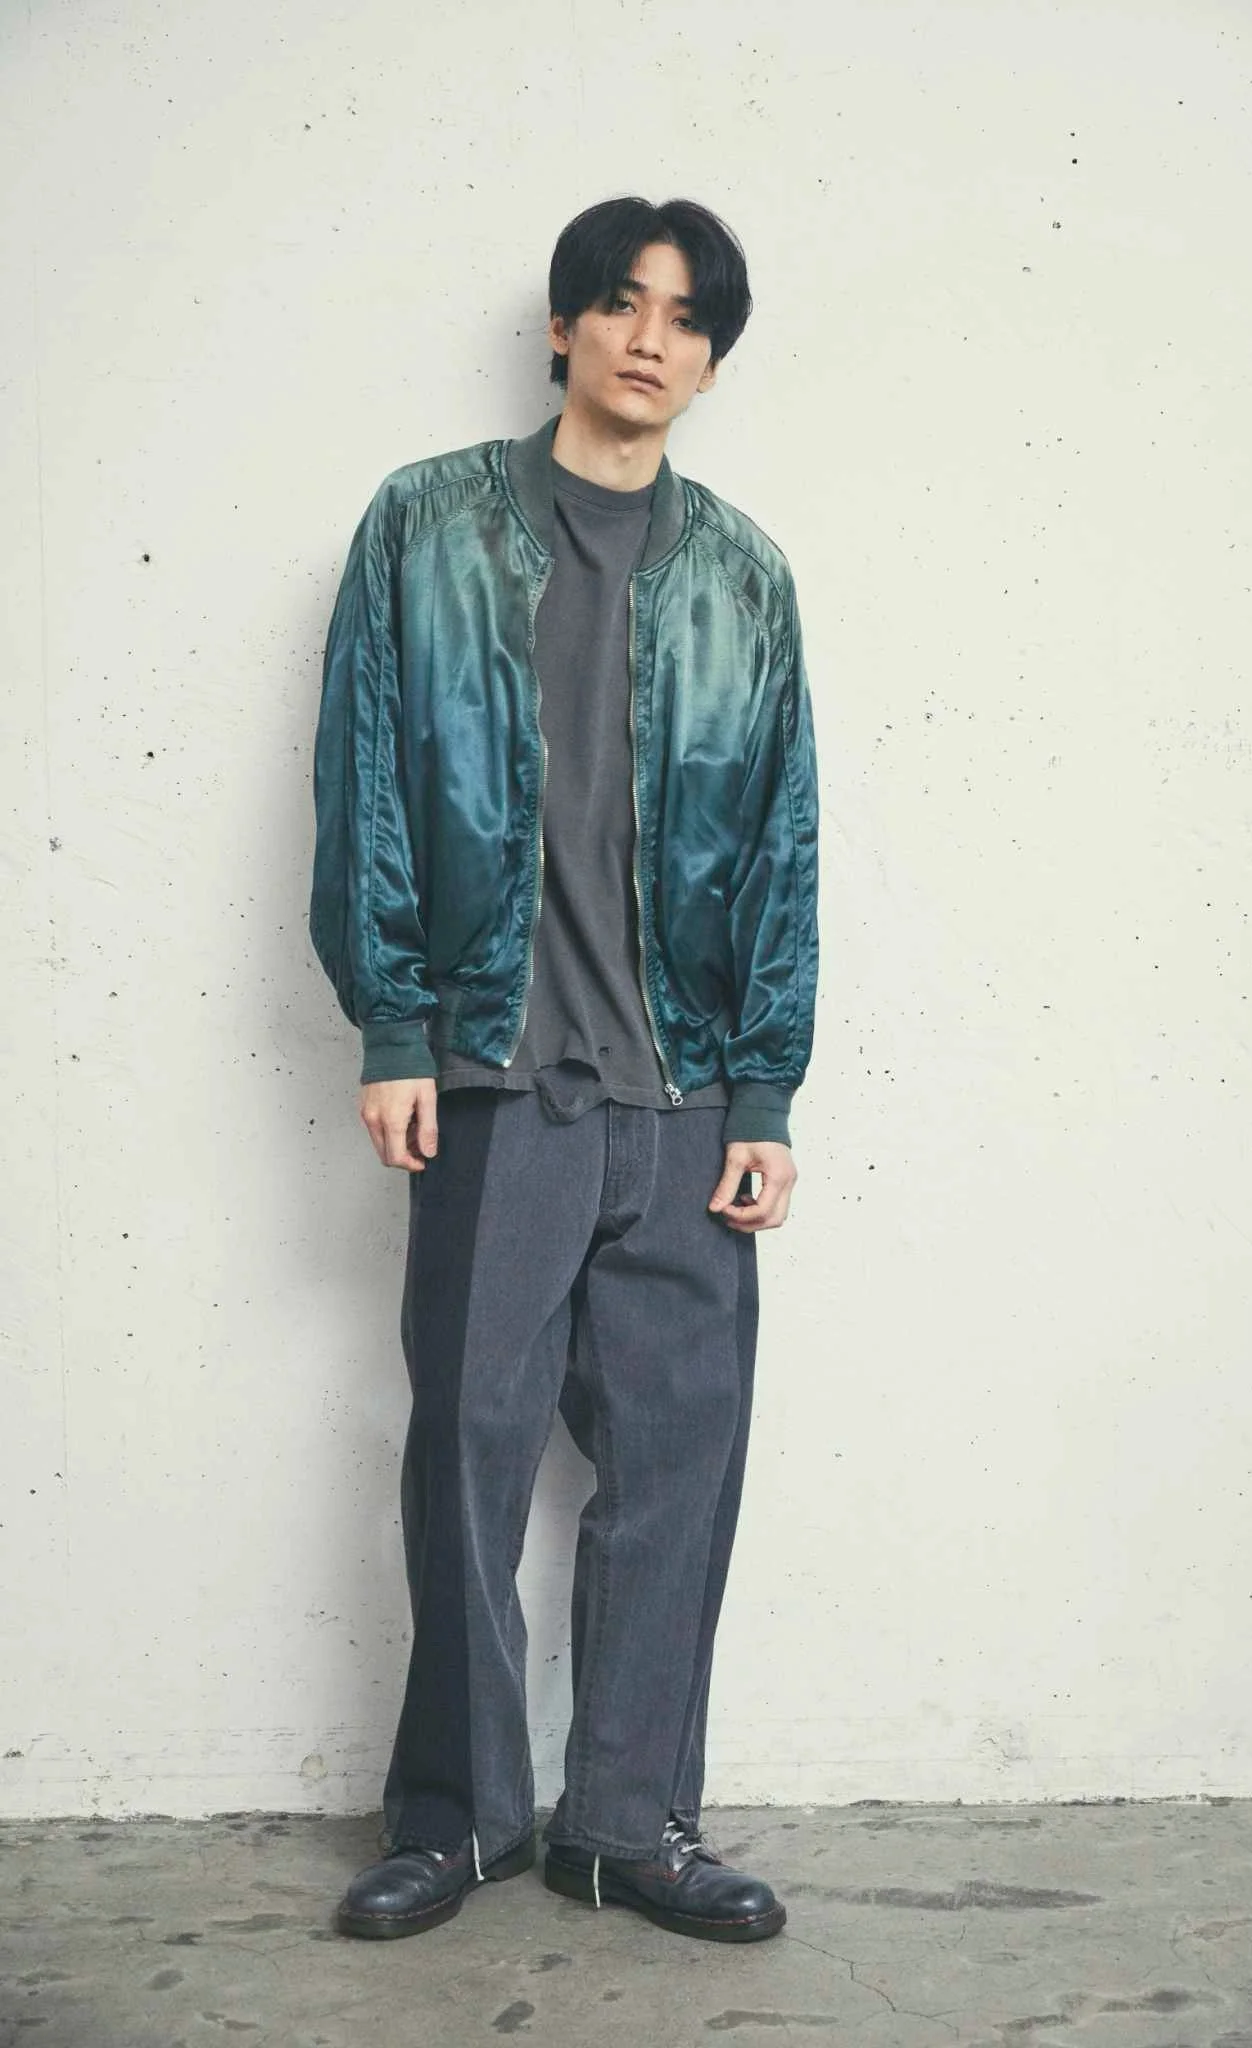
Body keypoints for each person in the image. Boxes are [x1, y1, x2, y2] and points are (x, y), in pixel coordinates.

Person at [308, 195, 819, 1946]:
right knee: (468, 1449)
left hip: (684, 1101)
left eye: (686, 317)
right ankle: (460, 1822)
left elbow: (782, 845)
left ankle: (627, 1825)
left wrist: (766, 1092)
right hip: (496, 1080)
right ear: (562, 327)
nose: (649, 337)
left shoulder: (745, 577)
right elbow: (367, 774)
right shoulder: (426, 524)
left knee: (679, 1462)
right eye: (619, 302)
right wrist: (396, 1027)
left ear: (712, 359)